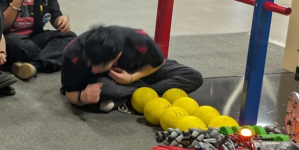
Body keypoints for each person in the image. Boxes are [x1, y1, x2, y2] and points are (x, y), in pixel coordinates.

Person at [60, 25, 203, 113]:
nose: (94, 70)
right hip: (108, 82)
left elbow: (159, 62)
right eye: (91, 64)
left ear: (117, 56)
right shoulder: (72, 53)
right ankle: (138, 96)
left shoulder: (139, 40)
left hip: (142, 70)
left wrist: (133, 78)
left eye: (101, 66)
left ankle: (128, 99)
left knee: (193, 77)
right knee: (106, 90)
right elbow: (69, 92)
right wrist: (82, 97)